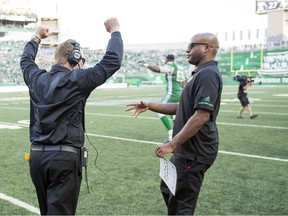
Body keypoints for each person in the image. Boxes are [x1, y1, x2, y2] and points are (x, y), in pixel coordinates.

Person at [20, 17, 123, 215]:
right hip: (64, 159)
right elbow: (112, 61)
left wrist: (36, 38)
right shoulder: (78, 79)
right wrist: (115, 31)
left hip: (37, 157)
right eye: (81, 62)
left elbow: (25, 60)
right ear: (75, 58)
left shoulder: (36, 78)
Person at [126, 32, 222, 215]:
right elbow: (182, 107)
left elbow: (202, 115)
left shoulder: (208, 74)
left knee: (181, 205)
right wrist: (151, 105)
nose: (187, 49)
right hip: (186, 149)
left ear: (207, 48)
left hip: (195, 151)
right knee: (168, 189)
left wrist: (172, 144)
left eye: (192, 45)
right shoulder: (199, 73)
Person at [138, 54, 186, 141]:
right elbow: (183, 82)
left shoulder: (171, 65)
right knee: (174, 113)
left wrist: (146, 65)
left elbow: (158, 69)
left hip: (172, 93)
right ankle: (177, 134)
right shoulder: (180, 67)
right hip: (180, 93)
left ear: (167, 59)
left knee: (159, 111)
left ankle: (171, 134)